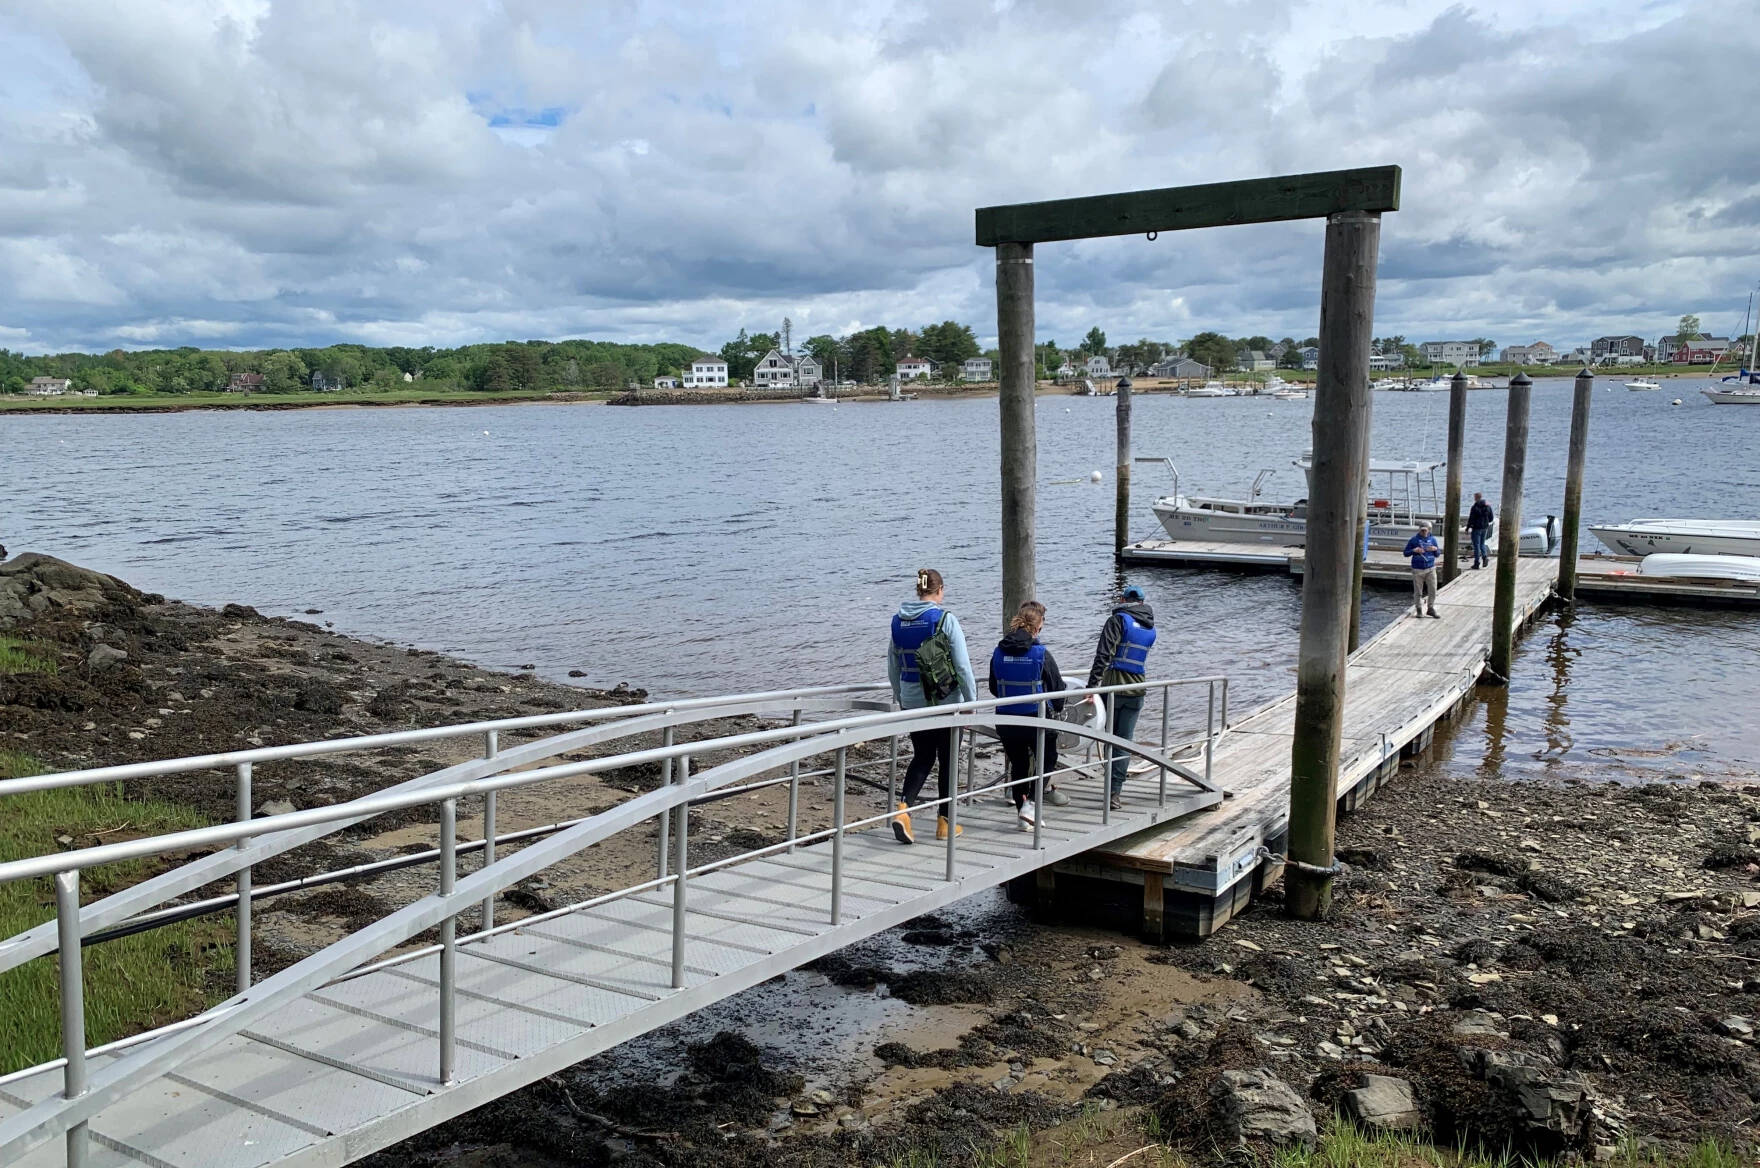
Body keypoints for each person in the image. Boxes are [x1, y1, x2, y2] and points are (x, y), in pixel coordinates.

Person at [887, 568, 976, 845]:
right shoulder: (945, 619)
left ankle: (903, 810)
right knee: (948, 759)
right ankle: (945, 823)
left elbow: (892, 664)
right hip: (945, 701)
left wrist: (899, 695)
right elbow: (962, 665)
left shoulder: (898, 622)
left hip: (913, 700)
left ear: (918, 590)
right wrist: (971, 700)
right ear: (940, 590)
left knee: (922, 756)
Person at [988, 600, 1065, 831]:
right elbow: (1057, 689)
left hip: (1006, 719)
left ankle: (1022, 814)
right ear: (1038, 627)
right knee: (1048, 757)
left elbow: (994, 687)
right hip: (1034, 719)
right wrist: (1058, 707)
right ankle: (1030, 804)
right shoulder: (1041, 653)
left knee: (1019, 767)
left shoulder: (998, 651)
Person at [1086, 585, 1156, 810]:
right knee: (1124, 742)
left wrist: (1091, 687)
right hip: (1137, 691)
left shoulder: (1117, 620)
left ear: (1124, 599)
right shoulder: (1150, 627)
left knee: (1110, 739)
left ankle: (1110, 790)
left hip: (1114, 689)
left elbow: (1103, 655)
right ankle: (1115, 793)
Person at [1404, 521, 1442, 618]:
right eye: (1422, 531)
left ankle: (1430, 608)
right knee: (1418, 591)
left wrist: (1435, 549)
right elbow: (1405, 553)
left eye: (1426, 530)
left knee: (1433, 589)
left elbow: (1438, 554)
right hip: (1418, 569)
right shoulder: (1414, 540)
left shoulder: (1433, 539)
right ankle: (1419, 609)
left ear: (1429, 530)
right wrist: (1414, 550)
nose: (1424, 532)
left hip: (1430, 568)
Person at [1467, 492, 1494, 569]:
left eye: (1474, 497)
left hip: (1476, 528)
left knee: (1476, 546)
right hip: (1484, 527)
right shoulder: (1488, 506)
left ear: (1476, 498)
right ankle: (1485, 557)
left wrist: (1468, 527)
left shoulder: (1475, 507)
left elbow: (1471, 518)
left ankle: (1477, 562)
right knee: (1482, 543)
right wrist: (1486, 522)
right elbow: (1491, 518)